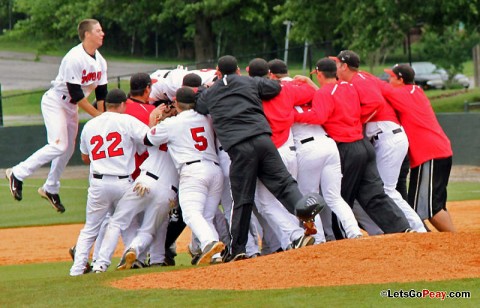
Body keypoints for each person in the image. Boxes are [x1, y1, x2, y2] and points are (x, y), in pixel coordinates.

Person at [196, 55, 324, 262]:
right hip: (263, 140)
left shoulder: (211, 93)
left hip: (239, 148)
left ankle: (238, 248)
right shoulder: (249, 82)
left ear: (218, 73)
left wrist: (208, 87)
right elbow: (274, 88)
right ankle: (303, 207)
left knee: (242, 199)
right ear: (238, 70)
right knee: (283, 182)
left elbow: (200, 105)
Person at [294, 58, 411, 235]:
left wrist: (293, 116)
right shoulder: (348, 86)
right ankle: (402, 227)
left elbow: (319, 116)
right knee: (375, 194)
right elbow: (334, 98)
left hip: (346, 148)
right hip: (364, 145)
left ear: (319, 73)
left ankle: (340, 236)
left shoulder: (325, 92)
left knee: (339, 197)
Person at [6, 19, 106, 213]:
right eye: (98, 30)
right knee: (58, 145)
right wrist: (100, 118)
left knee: (67, 150)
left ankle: (50, 188)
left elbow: (101, 91)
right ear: (87, 34)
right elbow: (77, 95)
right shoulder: (74, 58)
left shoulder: (100, 60)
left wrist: (101, 114)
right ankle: (17, 173)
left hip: (70, 107)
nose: (102, 33)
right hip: (56, 102)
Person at [267, 58, 362, 240]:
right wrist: (310, 84)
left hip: (307, 148)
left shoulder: (278, 94)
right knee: (334, 196)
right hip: (328, 144)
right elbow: (325, 93)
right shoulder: (308, 91)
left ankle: (318, 241)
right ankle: (354, 232)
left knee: (309, 198)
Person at [332, 50, 426, 233]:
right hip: (388, 135)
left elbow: (375, 103)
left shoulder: (358, 81)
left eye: (337, 64)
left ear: (344, 66)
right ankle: (408, 229)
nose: (335, 68)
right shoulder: (362, 77)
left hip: (387, 136)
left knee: (386, 190)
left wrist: (356, 120)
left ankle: (417, 229)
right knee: (382, 190)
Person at [70, 89, 150, 276]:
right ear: (123, 104)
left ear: (106, 104)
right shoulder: (126, 120)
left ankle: (77, 268)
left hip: (98, 182)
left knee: (90, 228)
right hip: (123, 181)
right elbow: (149, 137)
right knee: (123, 224)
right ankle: (116, 263)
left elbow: (84, 157)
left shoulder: (90, 125)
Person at [145, 87, 225, 265]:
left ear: (175, 103)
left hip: (193, 171)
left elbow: (148, 139)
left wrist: (155, 119)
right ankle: (216, 255)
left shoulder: (173, 123)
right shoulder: (206, 117)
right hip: (215, 170)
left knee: (190, 214)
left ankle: (209, 243)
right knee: (207, 216)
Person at [382, 64, 455, 232]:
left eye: (392, 77)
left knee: (432, 208)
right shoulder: (415, 91)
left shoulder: (402, 92)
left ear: (401, 80)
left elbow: (379, 88)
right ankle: (446, 240)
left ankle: (455, 241)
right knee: (424, 204)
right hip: (436, 151)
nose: (388, 79)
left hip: (429, 153)